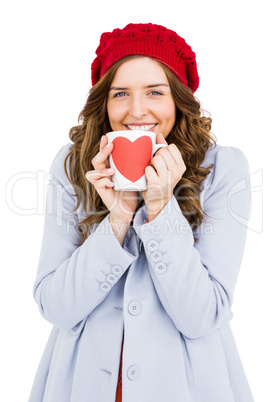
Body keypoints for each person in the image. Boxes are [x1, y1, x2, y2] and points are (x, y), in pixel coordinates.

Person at [28, 23, 254, 402]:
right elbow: (56, 307)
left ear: (177, 100)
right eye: (120, 94)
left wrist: (161, 207)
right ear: (104, 102)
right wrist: (118, 217)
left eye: (154, 92)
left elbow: (203, 315)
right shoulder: (72, 166)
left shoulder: (222, 168)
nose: (136, 110)